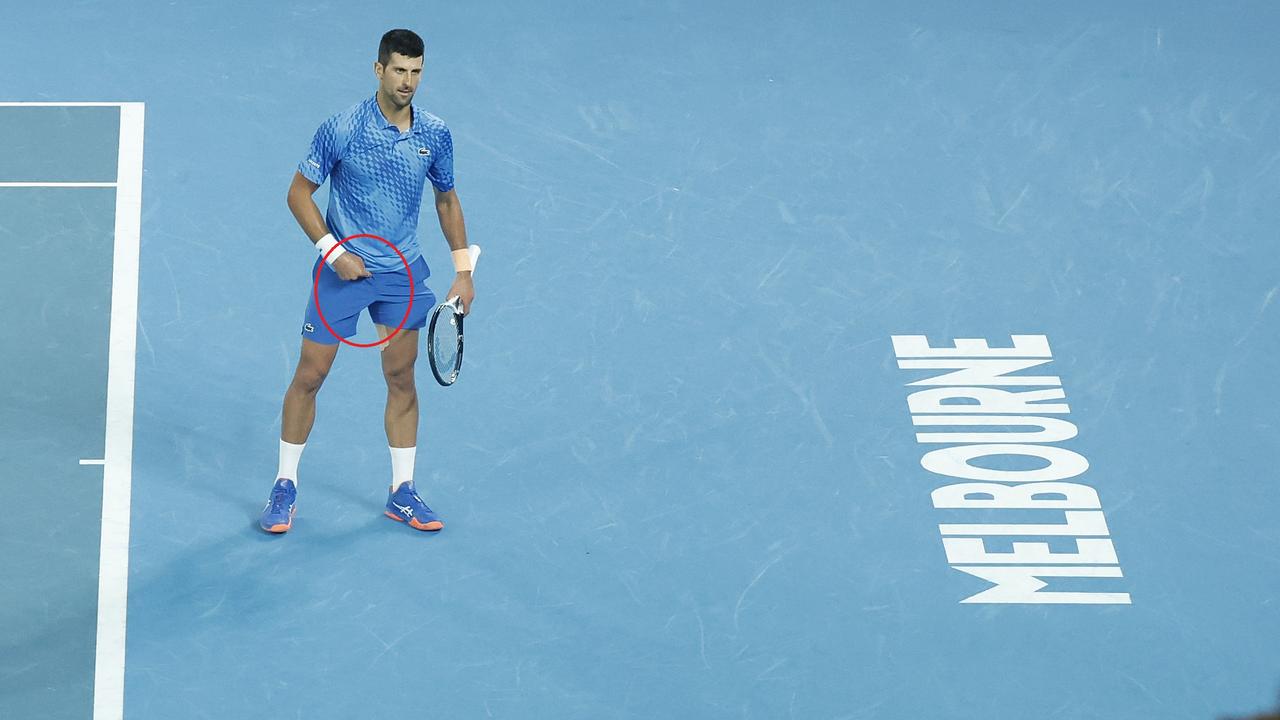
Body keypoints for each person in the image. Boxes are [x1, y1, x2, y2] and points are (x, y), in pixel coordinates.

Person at [259, 28, 474, 534]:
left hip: (401, 273)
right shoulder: (342, 128)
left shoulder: (435, 133)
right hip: (344, 270)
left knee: (402, 378)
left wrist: (463, 269)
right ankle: (284, 484)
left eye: (416, 71)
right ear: (379, 70)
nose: (408, 81)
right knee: (310, 376)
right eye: (399, 70)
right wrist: (332, 252)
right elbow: (298, 193)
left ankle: (403, 492)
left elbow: (446, 198)